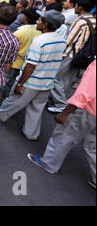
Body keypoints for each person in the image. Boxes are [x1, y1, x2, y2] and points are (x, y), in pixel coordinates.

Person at [27, 59, 96, 189]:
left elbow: (85, 93)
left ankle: (49, 163)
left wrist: (65, 113)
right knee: (93, 147)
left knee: (64, 135)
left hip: (88, 110)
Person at [0, 10, 67, 140]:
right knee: (36, 110)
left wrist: (20, 84)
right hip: (46, 83)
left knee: (11, 103)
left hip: (31, 82)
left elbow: (30, 65)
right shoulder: (61, 41)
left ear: (45, 24)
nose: (37, 21)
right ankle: (31, 133)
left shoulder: (39, 41)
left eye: (40, 20)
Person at [48, 0, 96, 113]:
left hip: (71, 55)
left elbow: (68, 41)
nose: (75, 8)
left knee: (55, 78)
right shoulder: (93, 20)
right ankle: (56, 100)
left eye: (77, 6)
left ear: (81, 7)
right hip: (84, 55)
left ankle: (61, 104)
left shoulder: (80, 21)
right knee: (67, 80)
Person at [2, 8, 41, 100]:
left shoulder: (20, 32)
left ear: (26, 18)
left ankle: (3, 101)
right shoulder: (39, 32)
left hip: (14, 63)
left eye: (23, 16)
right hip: (26, 63)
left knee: (6, 83)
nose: (21, 17)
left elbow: (10, 49)